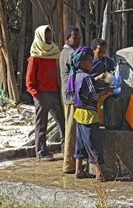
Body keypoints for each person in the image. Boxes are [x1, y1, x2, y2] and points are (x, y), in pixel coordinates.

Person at [67, 46, 113, 181]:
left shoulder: (76, 75)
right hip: (89, 116)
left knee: (80, 143)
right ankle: (100, 173)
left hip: (79, 113)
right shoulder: (87, 77)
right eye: (90, 62)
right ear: (82, 63)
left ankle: (79, 169)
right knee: (94, 144)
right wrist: (106, 90)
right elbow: (93, 96)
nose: (92, 64)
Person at [26, 25, 65, 161]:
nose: (49, 40)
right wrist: (36, 95)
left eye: (50, 38)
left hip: (55, 93)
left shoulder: (55, 53)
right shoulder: (35, 57)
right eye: (46, 38)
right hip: (41, 94)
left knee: (63, 122)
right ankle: (41, 152)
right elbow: (29, 80)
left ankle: (66, 149)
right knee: (41, 125)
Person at [59, 26, 81, 173]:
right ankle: (69, 164)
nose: (78, 40)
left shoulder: (65, 52)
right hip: (71, 96)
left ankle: (71, 162)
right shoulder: (71, 53)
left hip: (69, 95)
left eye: (79, 38)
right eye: (75, 38)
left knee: (72, 129)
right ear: (68, 38)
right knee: (71, 130)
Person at [90, 38, 116, 125]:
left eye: (103, 52)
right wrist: (97, 78)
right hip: (92, 93)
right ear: (93, 50)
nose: (101, 54)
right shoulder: (88, 62)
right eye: (99, 52)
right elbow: (83, 81)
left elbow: (114, 74)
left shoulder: (108, 61)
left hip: (105, 90)